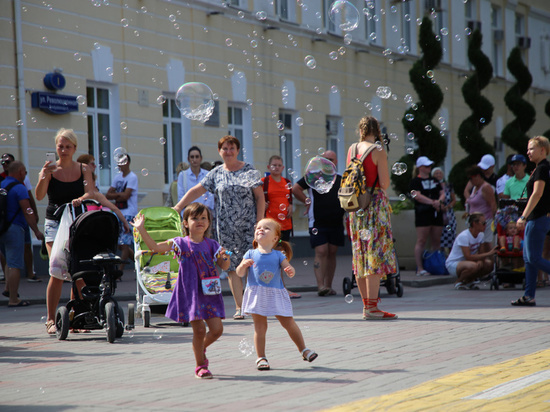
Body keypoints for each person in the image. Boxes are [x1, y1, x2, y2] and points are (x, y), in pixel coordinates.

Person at [132, 203, 230, 379]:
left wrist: (225, 257)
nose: (199, 221)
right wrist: (142, 229)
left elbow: (225, 265)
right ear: (185, 223)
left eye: (203, 218)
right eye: (195, 218)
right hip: (190, 292)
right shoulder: (180, 243)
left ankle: (200, 348)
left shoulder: (212, 244)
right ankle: (200, 365)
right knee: (199, 331)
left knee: (217, 330)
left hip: (209, 293)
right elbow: (155, 247)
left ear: (208, 223)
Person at [174, 136, 265, 320]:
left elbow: (260, 197)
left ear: (237, 150)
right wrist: (178, 207)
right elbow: (196, 191)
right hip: (225, 229)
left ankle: (255, 305)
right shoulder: (216, 173)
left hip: (249, 227)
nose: (228, 151)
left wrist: (260, 223)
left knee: (252, 266)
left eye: (232, 148)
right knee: (231, 267)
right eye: (225, 148)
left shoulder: (249, 170)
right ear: (219, 151)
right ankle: (240, 307)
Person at [35, 128, 96, 334]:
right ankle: (51, 320)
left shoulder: (84, 169)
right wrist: (44, 176)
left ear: (74, 148)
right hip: (54, 224)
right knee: (56, 268)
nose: (63, 150)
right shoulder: (50, 170)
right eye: (60, 146)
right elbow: (40, 195)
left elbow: (91, 190)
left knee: (75, 270)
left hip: (75, 223)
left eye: (67, 146)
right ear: (56, 148)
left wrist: (83, 197)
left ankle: (74, 318)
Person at [236, 218, 318, 370]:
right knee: (260, 327)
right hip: (257, 294)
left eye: (266, 228)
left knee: (289, 323)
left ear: (275, 238)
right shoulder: (250, 253)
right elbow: (239, 273)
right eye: (258, 228)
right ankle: (261, 358)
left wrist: (290, 271)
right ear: (255, 235)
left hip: (275, 294)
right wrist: (242, 265)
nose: (261, 229)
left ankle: (304, 350)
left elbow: (290, 270)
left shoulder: (279, 255)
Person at [346, 116, 398, 319]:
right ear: (377, 130)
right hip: (374, 204)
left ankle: (366, 306)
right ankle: (373, 308)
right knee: (374, 253)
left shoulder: (351, 149)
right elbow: (384, 183)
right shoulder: (378, 150)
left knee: (360, 254)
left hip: (356, 206)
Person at [292, 150, 345, 296]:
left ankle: (328, 285)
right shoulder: (314, 177)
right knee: (321, 251)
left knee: (332, 252)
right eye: (326, 159)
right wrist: (306, 200)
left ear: (336, 162)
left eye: (332, 159)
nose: (329, 162)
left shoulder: (341, 179)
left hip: (336, 222)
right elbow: (295, 188)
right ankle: (321, 286)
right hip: (317, 221)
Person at [0, 161, 44, 307]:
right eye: (24, 172)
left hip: (1, 228)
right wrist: (36, 230)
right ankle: (13, 299)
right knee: (14, 265)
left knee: (8, 259)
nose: (25, 175)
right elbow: (27, 211)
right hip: (14, 228)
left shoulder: (2, 184)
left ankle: (7, 288)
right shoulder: (20, 188)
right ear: (20, 171)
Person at [514, 136, 550, 306]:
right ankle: (529, 296)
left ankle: (529, 295)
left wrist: (523, 216)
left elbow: (537, 193)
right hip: (536, 218)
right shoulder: (539, 169)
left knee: (534, 258)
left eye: (531, 149)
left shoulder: (543, 168)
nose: (528, 152)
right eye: (528, 149)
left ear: (543, 150)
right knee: (528, 258)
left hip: (538, 218)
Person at [262, 155, 300, 299]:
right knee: (272, 257)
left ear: (283, 168)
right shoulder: (264, 182)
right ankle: (277, 288)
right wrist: (261, 204)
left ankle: (281, 287)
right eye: (274, 165)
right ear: (268, 167)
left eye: (279, 165)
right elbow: (257, 199)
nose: (276, 167)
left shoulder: (287, 182)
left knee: (283, 257)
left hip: (285, 225)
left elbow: (289, 199)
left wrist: (291, 205)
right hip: (270, 227)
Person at [75, 154, 130, 232]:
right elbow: (114, 208)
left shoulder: (94, 192)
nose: (95, 166)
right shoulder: (94, 194)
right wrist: (125, 223)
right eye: (92, 164)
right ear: (84, 166)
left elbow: (114, 208)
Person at [409, 156, 445, 276]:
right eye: (426, 166)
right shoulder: (415, 181)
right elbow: (417, 196)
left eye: (430, 165)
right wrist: (432, 202)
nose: (429, 168)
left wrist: (439, 201)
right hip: (422, 213)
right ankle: (420, 268)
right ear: (420, 167)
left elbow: (442, 193)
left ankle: (436, 265)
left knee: (436, 241)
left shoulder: (435, 180)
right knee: (421, 240)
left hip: (436, 213)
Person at [446, 212, 497, 290]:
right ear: (474, 223)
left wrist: (481, 260)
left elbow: (481, 252)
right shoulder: (464, 236)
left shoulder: (481, 235)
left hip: (469, 262)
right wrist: (489, 253)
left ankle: (469, 281)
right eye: (483, 223)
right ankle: (459, 281)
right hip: (454, 264)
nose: (485, 225)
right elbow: (468, 256)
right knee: (474, 266)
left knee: (489, 264)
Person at [106, 154, 138, 271]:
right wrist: (119, 195)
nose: (120, 165)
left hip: (129, 213)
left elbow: (126, 196)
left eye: (123, 162)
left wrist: (117, 196)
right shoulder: (117, 177)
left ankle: (119, 271)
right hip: (119, 212)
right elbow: (108, 195)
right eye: (119, 162)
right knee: (120, 243)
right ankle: (140, 264)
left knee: (125, 244)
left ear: (128, 162)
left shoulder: (132, 177)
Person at [465, 166, 497, 254]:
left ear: (478, 176)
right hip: (474, 222)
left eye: (471, 178)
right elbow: (466, 193)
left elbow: (493, 205)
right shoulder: (475, 188)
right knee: (476, 245)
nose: (470, 181)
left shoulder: (486, 187)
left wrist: (494, 222)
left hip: (485, 221)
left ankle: (491, 266)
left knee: (486, 245)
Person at [177, 146, 214, 213]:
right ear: (188, 159)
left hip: (205, 213)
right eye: (192, 157)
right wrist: (193, 209)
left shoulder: (208, 174)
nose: (194, 159)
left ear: (201, 158)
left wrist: (202, 209)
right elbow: (181, 196)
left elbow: (211, 196)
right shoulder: (183, 175)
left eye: (197, 157)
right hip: (188, 213)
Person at [432, 167, 457, 255]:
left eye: (440, 173)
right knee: (439, 238)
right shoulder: (432, 186)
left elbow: (454, 200)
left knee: (450, 237)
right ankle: (441, 259)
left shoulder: (448, 185)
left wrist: (447, 207)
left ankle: (451, 257)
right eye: (436, 173)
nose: (438, 175)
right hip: (437, 214)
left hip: (449, 215)